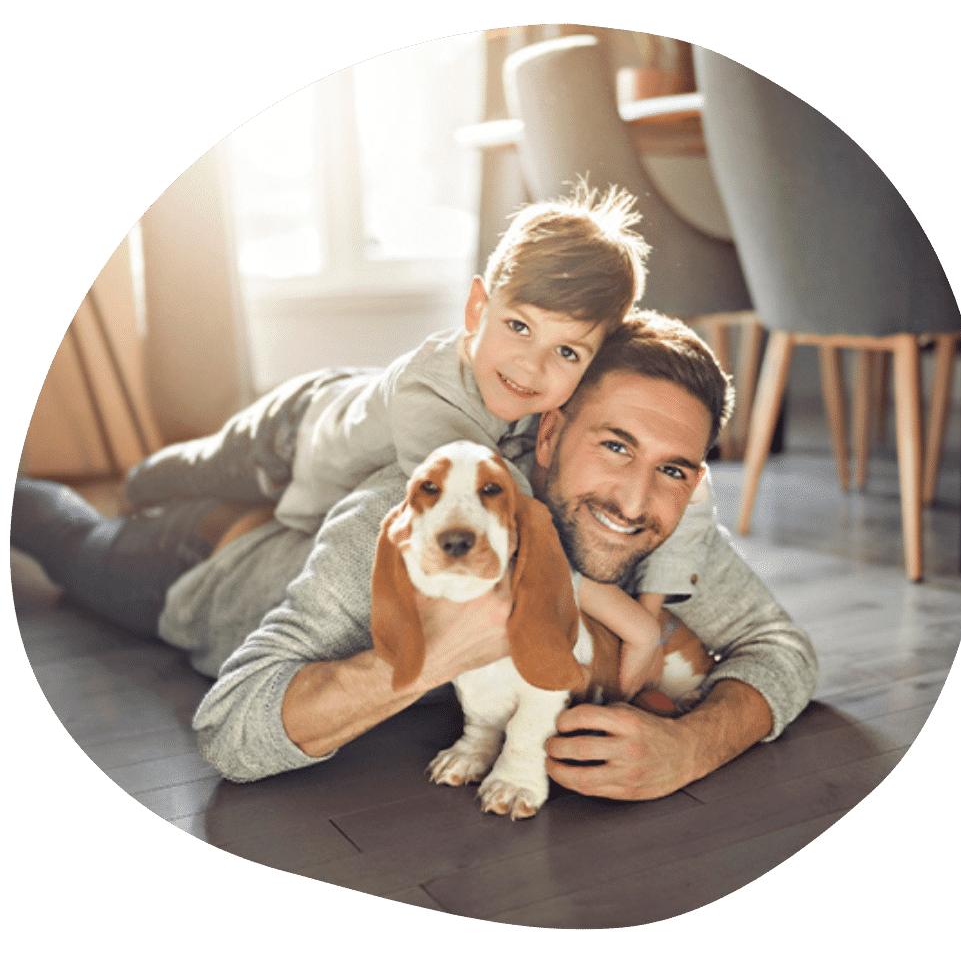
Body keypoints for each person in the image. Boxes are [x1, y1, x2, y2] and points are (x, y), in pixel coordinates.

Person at [11, 310, 818, 799]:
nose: (636, 503)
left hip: (310, 497)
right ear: (549, 433)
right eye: (614, 446)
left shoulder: (655, 521)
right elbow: (229, 731)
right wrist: (436, 650)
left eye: (672, 470)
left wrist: (695, 745)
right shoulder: (414, 507)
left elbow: (781, 646)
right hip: (202, 564)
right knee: (72, 534)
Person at [120, 182, 715, 698]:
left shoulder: (551, 402)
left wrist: (658, 608)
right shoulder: (433, 407)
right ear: (478, 306)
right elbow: (519, 538)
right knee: (183, 471)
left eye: (566, 351)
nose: (532, 370)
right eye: (518, 327)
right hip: (289, 434)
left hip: (348, 428)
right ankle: (136, 484)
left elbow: (692, 486)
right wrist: (638, 627)